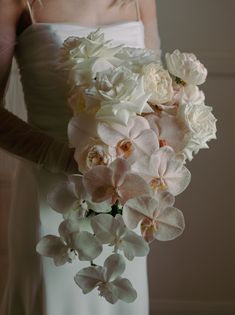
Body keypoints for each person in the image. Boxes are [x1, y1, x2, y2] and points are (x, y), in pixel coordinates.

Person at [0, 0, 161, 314]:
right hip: (51, 192)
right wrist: (64, 160)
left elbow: (157, 98)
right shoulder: (16, 3)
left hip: (122, 195)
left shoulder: (142, 3)